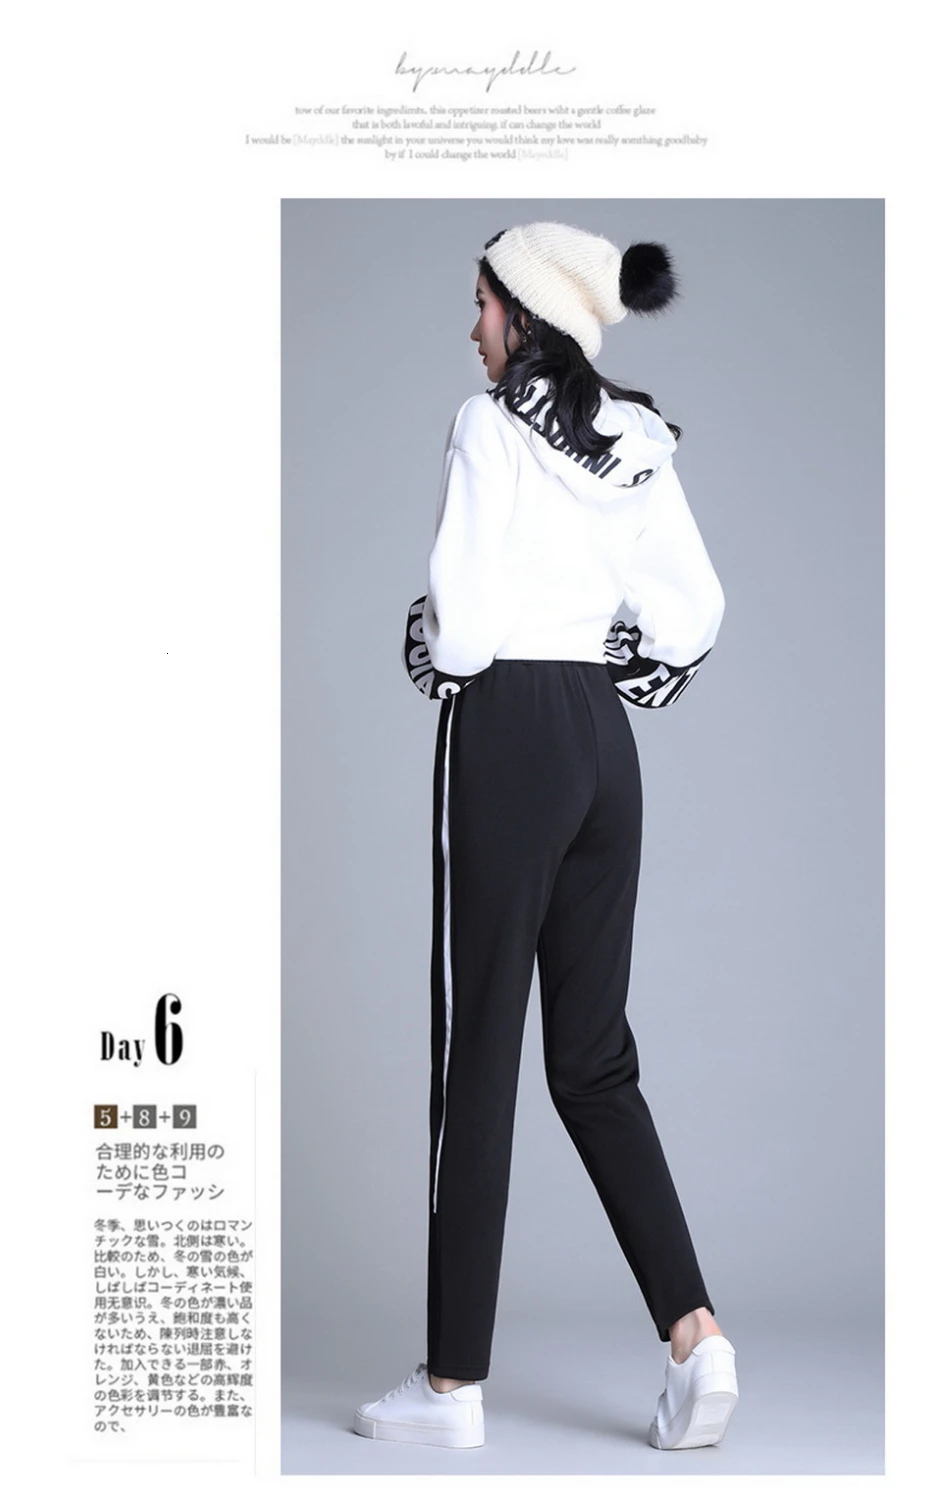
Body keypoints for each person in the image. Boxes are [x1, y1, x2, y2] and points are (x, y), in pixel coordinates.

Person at [353, 221, 738, 1453]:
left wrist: (424, 642)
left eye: (478, 302)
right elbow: (692, 612)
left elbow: (462, 631)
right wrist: (604, 663)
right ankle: (696, 1338)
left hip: (510, 731)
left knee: (478, 1053)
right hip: (601, 747)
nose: (468, 325)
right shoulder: (634, 435)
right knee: (593, 1058)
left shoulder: (486, 424)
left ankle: (450, 1388)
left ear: (521, 312)